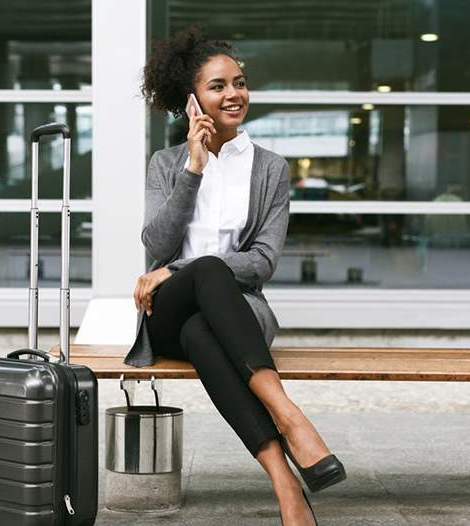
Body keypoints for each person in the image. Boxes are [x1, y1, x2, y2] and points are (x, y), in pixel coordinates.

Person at [123, 26, 346, 526]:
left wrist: (176, 269)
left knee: (204, 329)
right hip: (167, 312)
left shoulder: (270, 168)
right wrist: (193, 170)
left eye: (239, 83)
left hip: (239, 313)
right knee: (201, 277)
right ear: (192, 100)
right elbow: (155, 245)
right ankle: (290, 418)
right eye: (218, 85)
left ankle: (284, 482)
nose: (234, 94)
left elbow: (263, 261)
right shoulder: (167, 164)